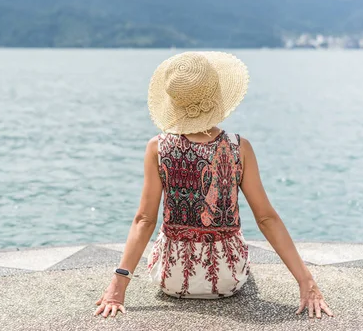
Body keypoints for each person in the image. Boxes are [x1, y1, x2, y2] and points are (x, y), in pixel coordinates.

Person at [94, 51, 334, 320]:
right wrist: (306, 281)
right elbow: (266, 218)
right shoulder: (238, 147)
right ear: (217, 96)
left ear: (175, 103)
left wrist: (119, 283)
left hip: (171, 279)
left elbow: (144, 220)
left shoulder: (158, 147)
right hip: (227, 278)